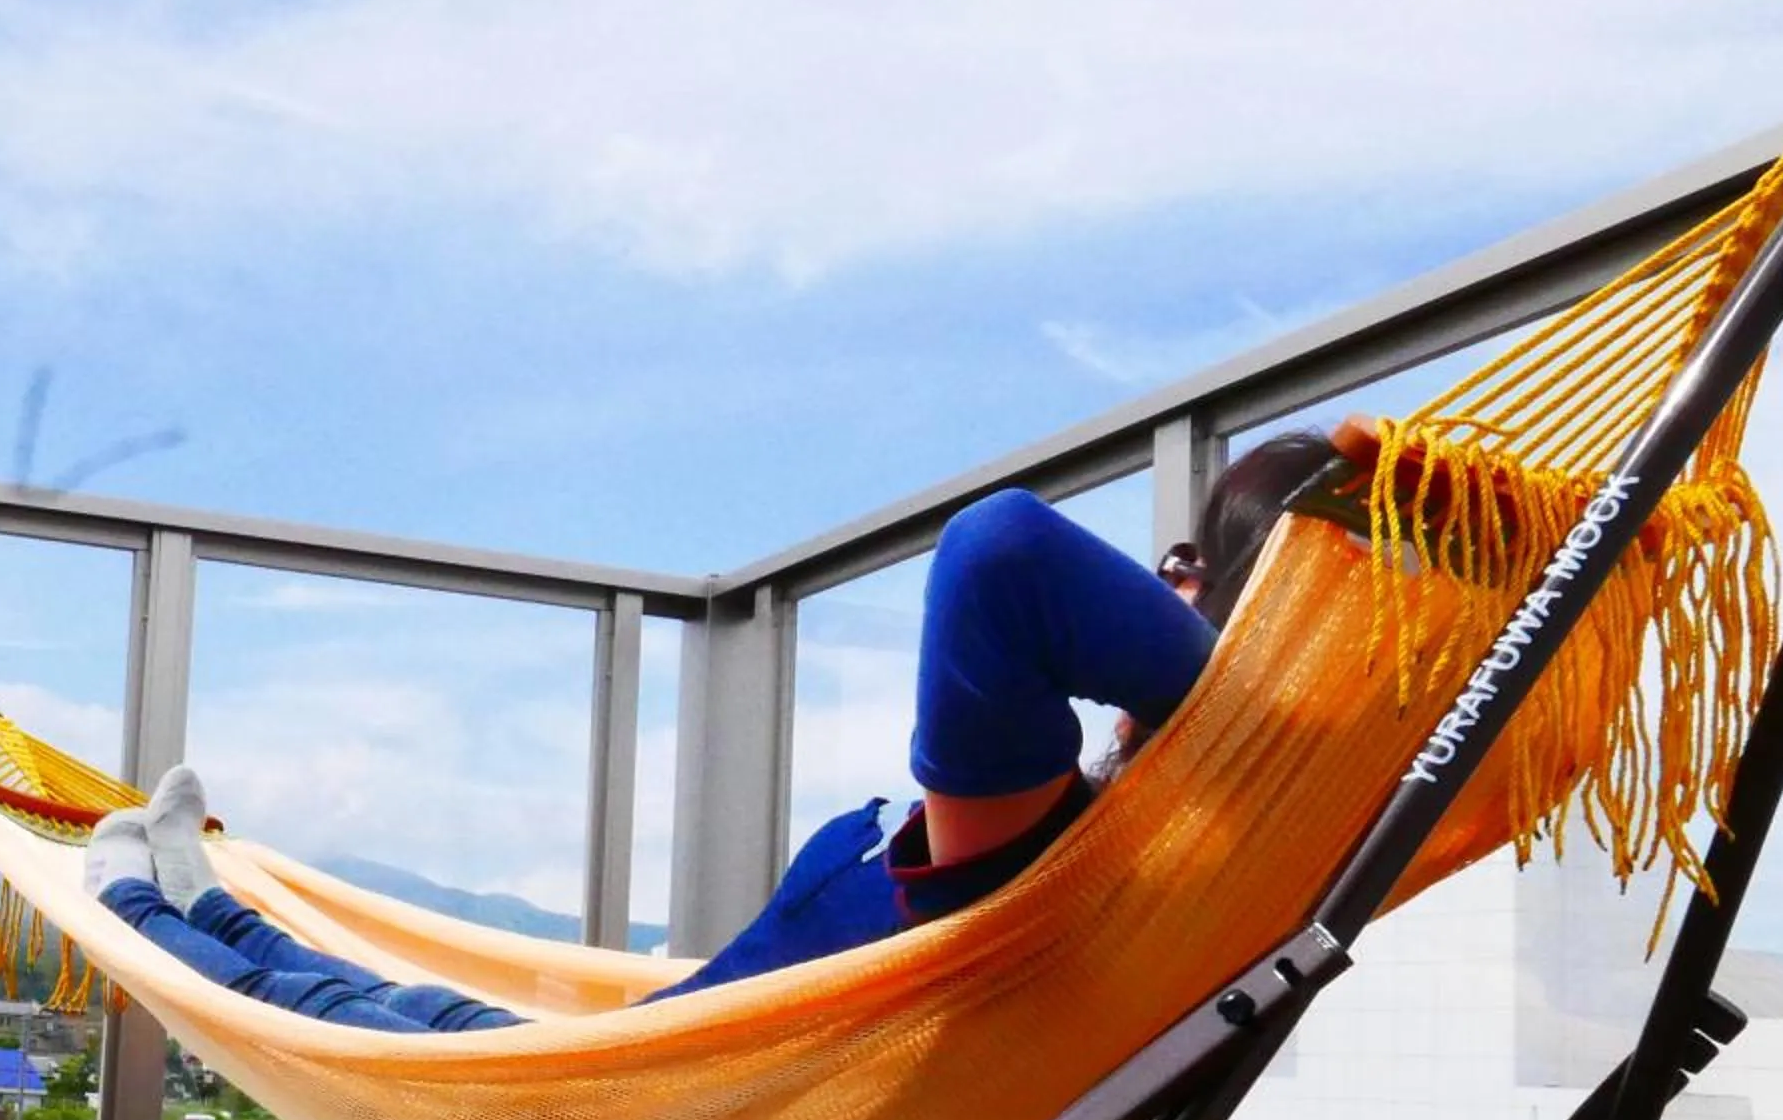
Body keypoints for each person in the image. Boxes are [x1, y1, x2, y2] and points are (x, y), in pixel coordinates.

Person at [87, 431, 1354, 1034]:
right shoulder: (1060, 807)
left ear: (1224, 622)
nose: (1154, 571)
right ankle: (200, 883)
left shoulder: (1055, 844)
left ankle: (138, 896)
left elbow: (1002, 547)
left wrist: (1247, 687)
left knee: (304, 1000)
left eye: (1184, 561)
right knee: (351, 986)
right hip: (642, 1053)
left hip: (628, 1098)